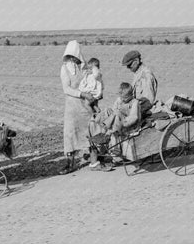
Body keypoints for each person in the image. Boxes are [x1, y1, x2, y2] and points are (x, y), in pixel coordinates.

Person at [60, 40, 94, 175]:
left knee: (89, 131)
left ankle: (94, 160)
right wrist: (82, 94)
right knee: (70, 134)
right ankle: (70, 164)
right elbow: (66, 89)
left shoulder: (83, 68)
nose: (72, 59)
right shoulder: (65, 69)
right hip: (72, 107)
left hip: (85, 105)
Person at [88, 82, 141, 168]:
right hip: (117, 124)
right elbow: (114, 109)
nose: (123, 99)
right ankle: (102, 127)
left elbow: (133, 118)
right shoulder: (119, 100)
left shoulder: (135, 102)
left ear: (131, 95)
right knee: (108, 111)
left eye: (125, 97)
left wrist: (123, 122)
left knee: (117, 114)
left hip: (130, 126)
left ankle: (110, 135)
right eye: (121, 97)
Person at [122, 50, 158, 116]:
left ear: (136, 61)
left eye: (129, 65)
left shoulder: (146, 76)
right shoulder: (138, 74)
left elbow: (148, 101)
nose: (128, 68)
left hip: (141, 112)